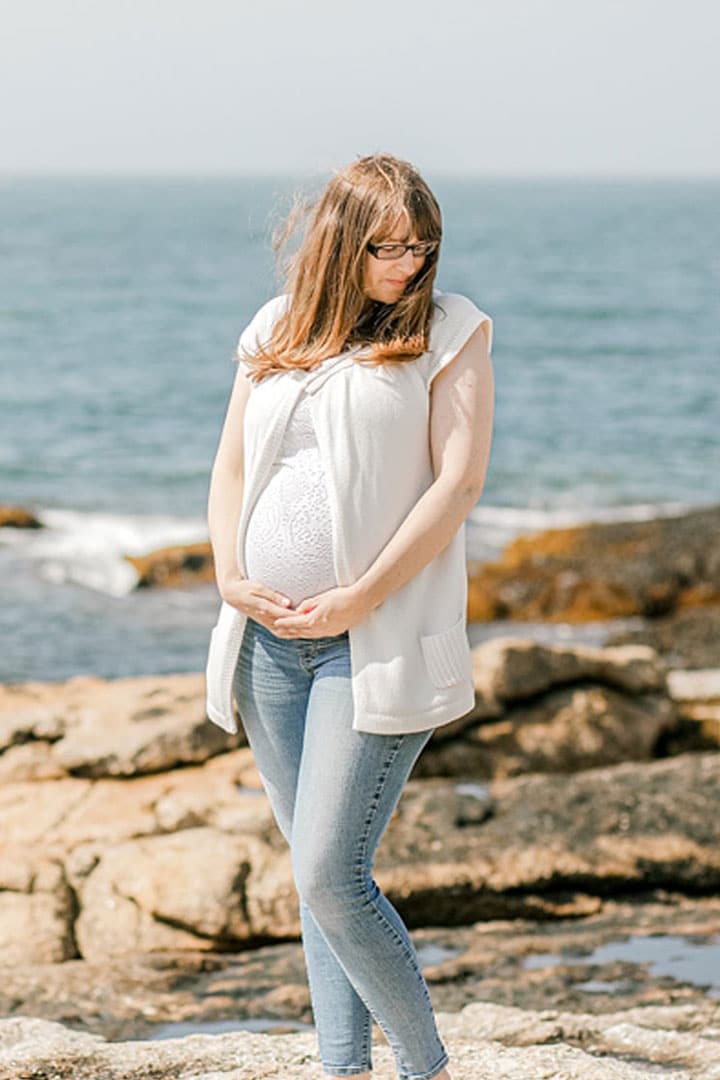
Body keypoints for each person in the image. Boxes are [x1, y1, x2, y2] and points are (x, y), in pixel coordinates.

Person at [206, 153, 494, 1080]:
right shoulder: (275, 327)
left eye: (421, 246)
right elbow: (233, 469)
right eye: (386, 247)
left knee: (333, 874)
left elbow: (457, 484)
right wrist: (228, 575)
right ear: (339, 240)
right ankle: (343, 1069)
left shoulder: (452, 330)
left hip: (370, 641)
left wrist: (359, 594)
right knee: (311, 879)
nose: (407, 265)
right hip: (265, 647)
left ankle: (424, 1068)